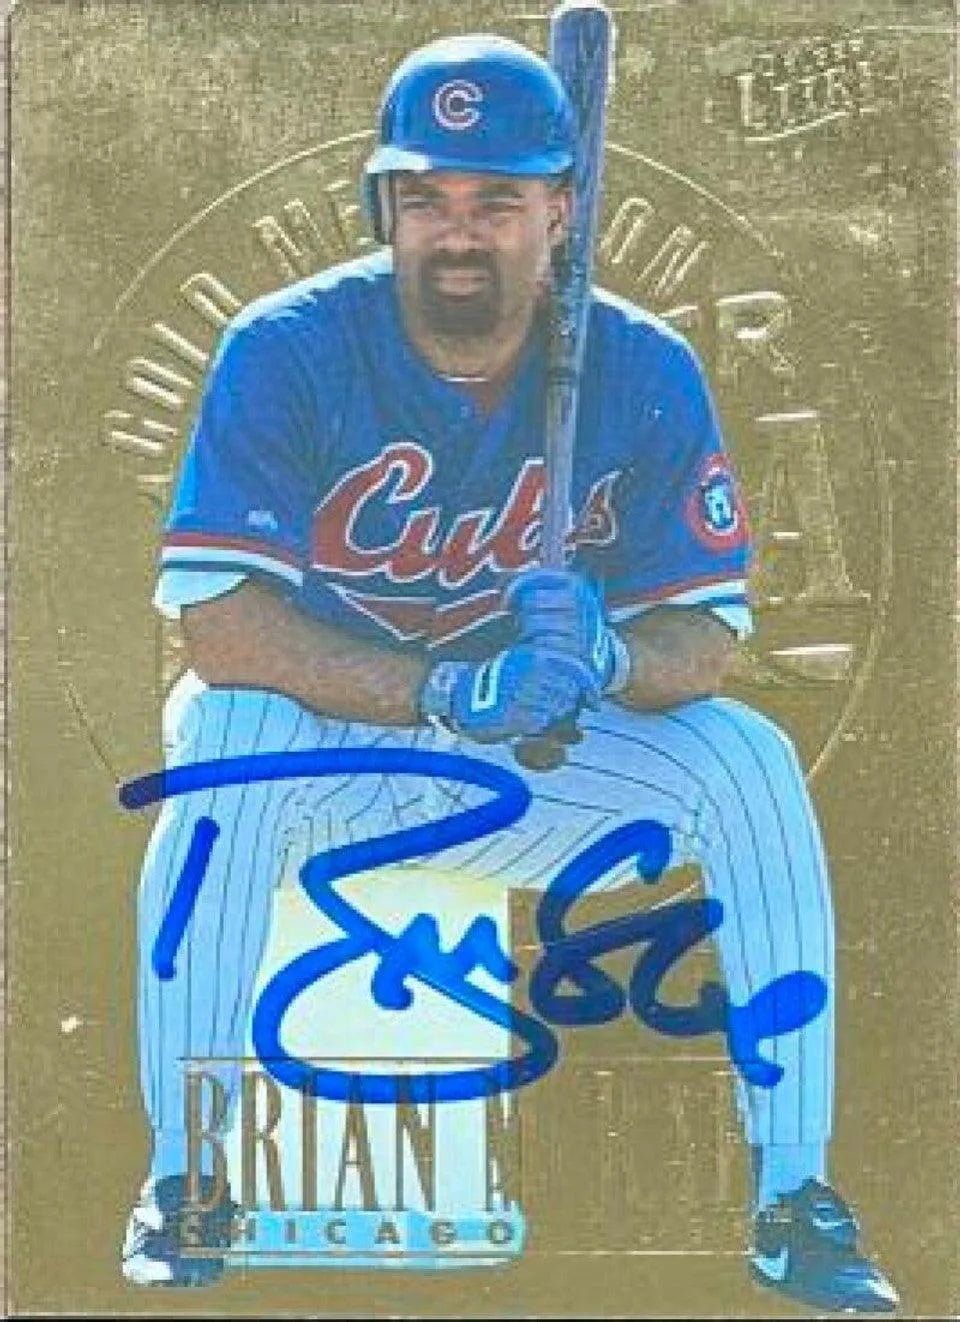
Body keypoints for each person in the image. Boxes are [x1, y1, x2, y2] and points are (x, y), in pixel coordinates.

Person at [120, 32, 899, 1313]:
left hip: (532, 766)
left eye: (495, 198)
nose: (459, 232)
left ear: (560, 210)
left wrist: (608, 655)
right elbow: (222, 629)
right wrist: (440, 688)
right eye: (426, 197)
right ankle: (187, 1176)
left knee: (749, 760)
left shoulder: (642, 364)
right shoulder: (288, 346)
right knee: (221, 741)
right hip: (331, 750)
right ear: (384, 209)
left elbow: (706, 640)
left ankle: (793, 1191)